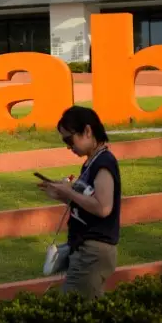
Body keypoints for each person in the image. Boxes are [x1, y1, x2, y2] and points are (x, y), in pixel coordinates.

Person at [37, 105, 122, 299]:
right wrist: (61, 195)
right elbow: (87, 205)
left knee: (71, 305)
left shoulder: (103, 163)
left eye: (69, 139)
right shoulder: (91, 163)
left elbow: (103, 208)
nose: (69, 147)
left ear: (88, 131)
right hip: (85, 249)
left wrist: (69, 191)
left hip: (93, 252)